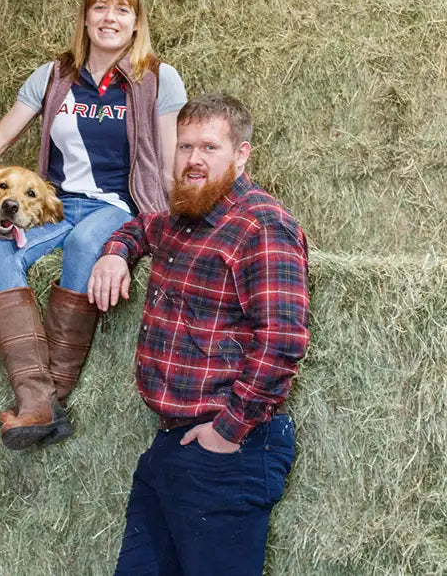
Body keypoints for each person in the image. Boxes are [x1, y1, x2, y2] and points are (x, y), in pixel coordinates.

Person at [87, 93, 309, 575]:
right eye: (185, 147)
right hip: (172, 445)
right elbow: (143, 226)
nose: (193, 160)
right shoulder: (185, 216)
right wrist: (114, 251)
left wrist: (228, 431)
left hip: (228, 450)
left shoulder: (262, 225)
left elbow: (284, 339)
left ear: (242, 154)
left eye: (209, 147)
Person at [0, 0, 188, 449]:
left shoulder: (156, 78)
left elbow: (172, 163)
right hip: (56, 205)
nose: (110, 18)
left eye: (122, 9)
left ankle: (54, 393)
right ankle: (37, 400)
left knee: (89, 244)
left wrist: (177, 231)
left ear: (137, 22)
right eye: (100, 8)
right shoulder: (54, 77)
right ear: (86, 17)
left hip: (118, 206)